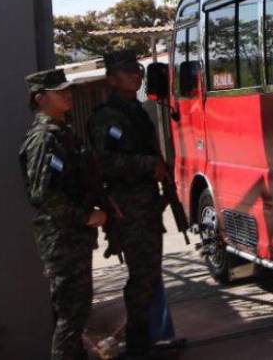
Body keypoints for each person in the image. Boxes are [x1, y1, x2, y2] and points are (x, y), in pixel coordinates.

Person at [89, 51, 181, 358]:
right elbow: (104, 161)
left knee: (150, 271)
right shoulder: (106, 116)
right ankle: (139, 346)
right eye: (127, 72)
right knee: (141, 276)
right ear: (111, 79)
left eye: (137, 70)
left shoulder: (136, 111)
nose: (136, 76)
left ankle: (148, 340)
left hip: (146, 202)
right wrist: (147, 164)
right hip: (127, 206)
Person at [20, 68, 108, 360]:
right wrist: (85, 216)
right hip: (62, 239)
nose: (67, 95)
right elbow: (43, 196)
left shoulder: (63, 133)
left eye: (68, 90)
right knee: (71, 317)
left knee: (76, 313)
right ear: (40, 99)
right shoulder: (45, 139)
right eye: (60, 92)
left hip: (72, 238)